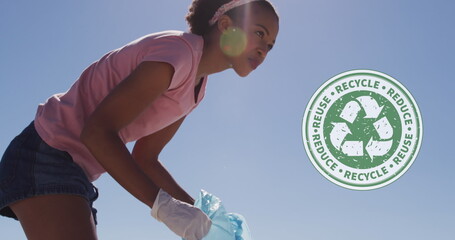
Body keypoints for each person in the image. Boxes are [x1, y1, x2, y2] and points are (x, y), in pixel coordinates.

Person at [0, 0, 279, 239]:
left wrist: (202, 218)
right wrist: (167, 209)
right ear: (226, 25)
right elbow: (96, 133)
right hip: (45, 153)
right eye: (259, 33)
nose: (264, 50)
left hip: (75, 170)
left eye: (270, 45)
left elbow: (146, 158)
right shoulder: (178, 52)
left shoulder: (197, 88)